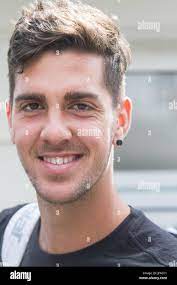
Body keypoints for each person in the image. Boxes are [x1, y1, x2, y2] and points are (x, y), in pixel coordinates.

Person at [0, 0, 177, 267]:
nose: (55, 133)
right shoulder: (7, 238)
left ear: (121, 118)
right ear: (11, 119)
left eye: (81, 106)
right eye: (33, 106)